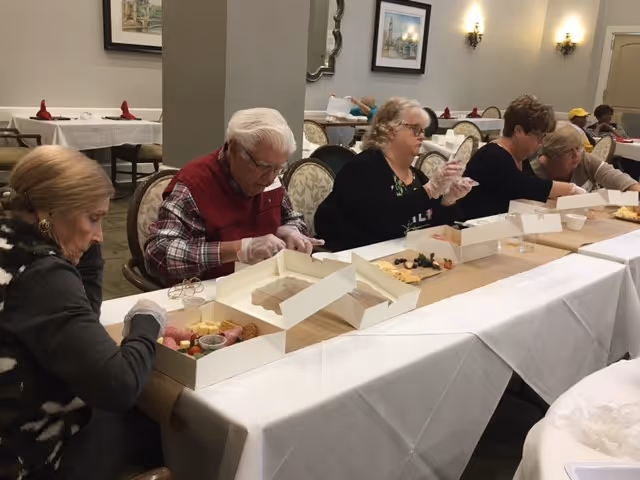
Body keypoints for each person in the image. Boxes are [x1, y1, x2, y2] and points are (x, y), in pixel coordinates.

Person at [0, 146, 167, 480]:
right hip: (25, 456)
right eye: (93, 218)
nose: (100, 235)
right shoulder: (41, 274)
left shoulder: (11, 240)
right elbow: (119, 385)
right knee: (162, 424)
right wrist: (147, 322)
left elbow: (83, 316)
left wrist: (85, 247)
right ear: (49, 211)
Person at [145, 108, 322, 286]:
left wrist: (291, 230)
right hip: (210, 294)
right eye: (263, 167)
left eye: (279, 168)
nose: (270, 179)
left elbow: (292, 217)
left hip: (263, 284)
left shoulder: (271, 178)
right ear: (235, 149)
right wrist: (239, 249)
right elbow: (158, 255)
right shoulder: (193, 186)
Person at [315, 97, 472, 252]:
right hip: (360, 260)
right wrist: (430, 190)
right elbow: (383, 224)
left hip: (406, 258)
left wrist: (448, 200)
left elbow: (437, 228)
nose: (422, 136)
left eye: (423, 130)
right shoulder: (362, 169)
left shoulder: (416, 176)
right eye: (415, 129)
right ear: (390, 131)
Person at [458, 94, 585, 220]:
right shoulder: (492, 156)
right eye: (539, 136)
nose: (541, 142)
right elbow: (525, 186)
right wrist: (570, 189)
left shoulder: (519, 158)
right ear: (519, 131)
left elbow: (531, 185)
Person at [526, 125, 640, 192]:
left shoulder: (585, 160)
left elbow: (619, 180)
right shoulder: (532, 172)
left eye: (578, 148)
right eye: (568, 151)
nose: (576, 155)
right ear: (551, 155)